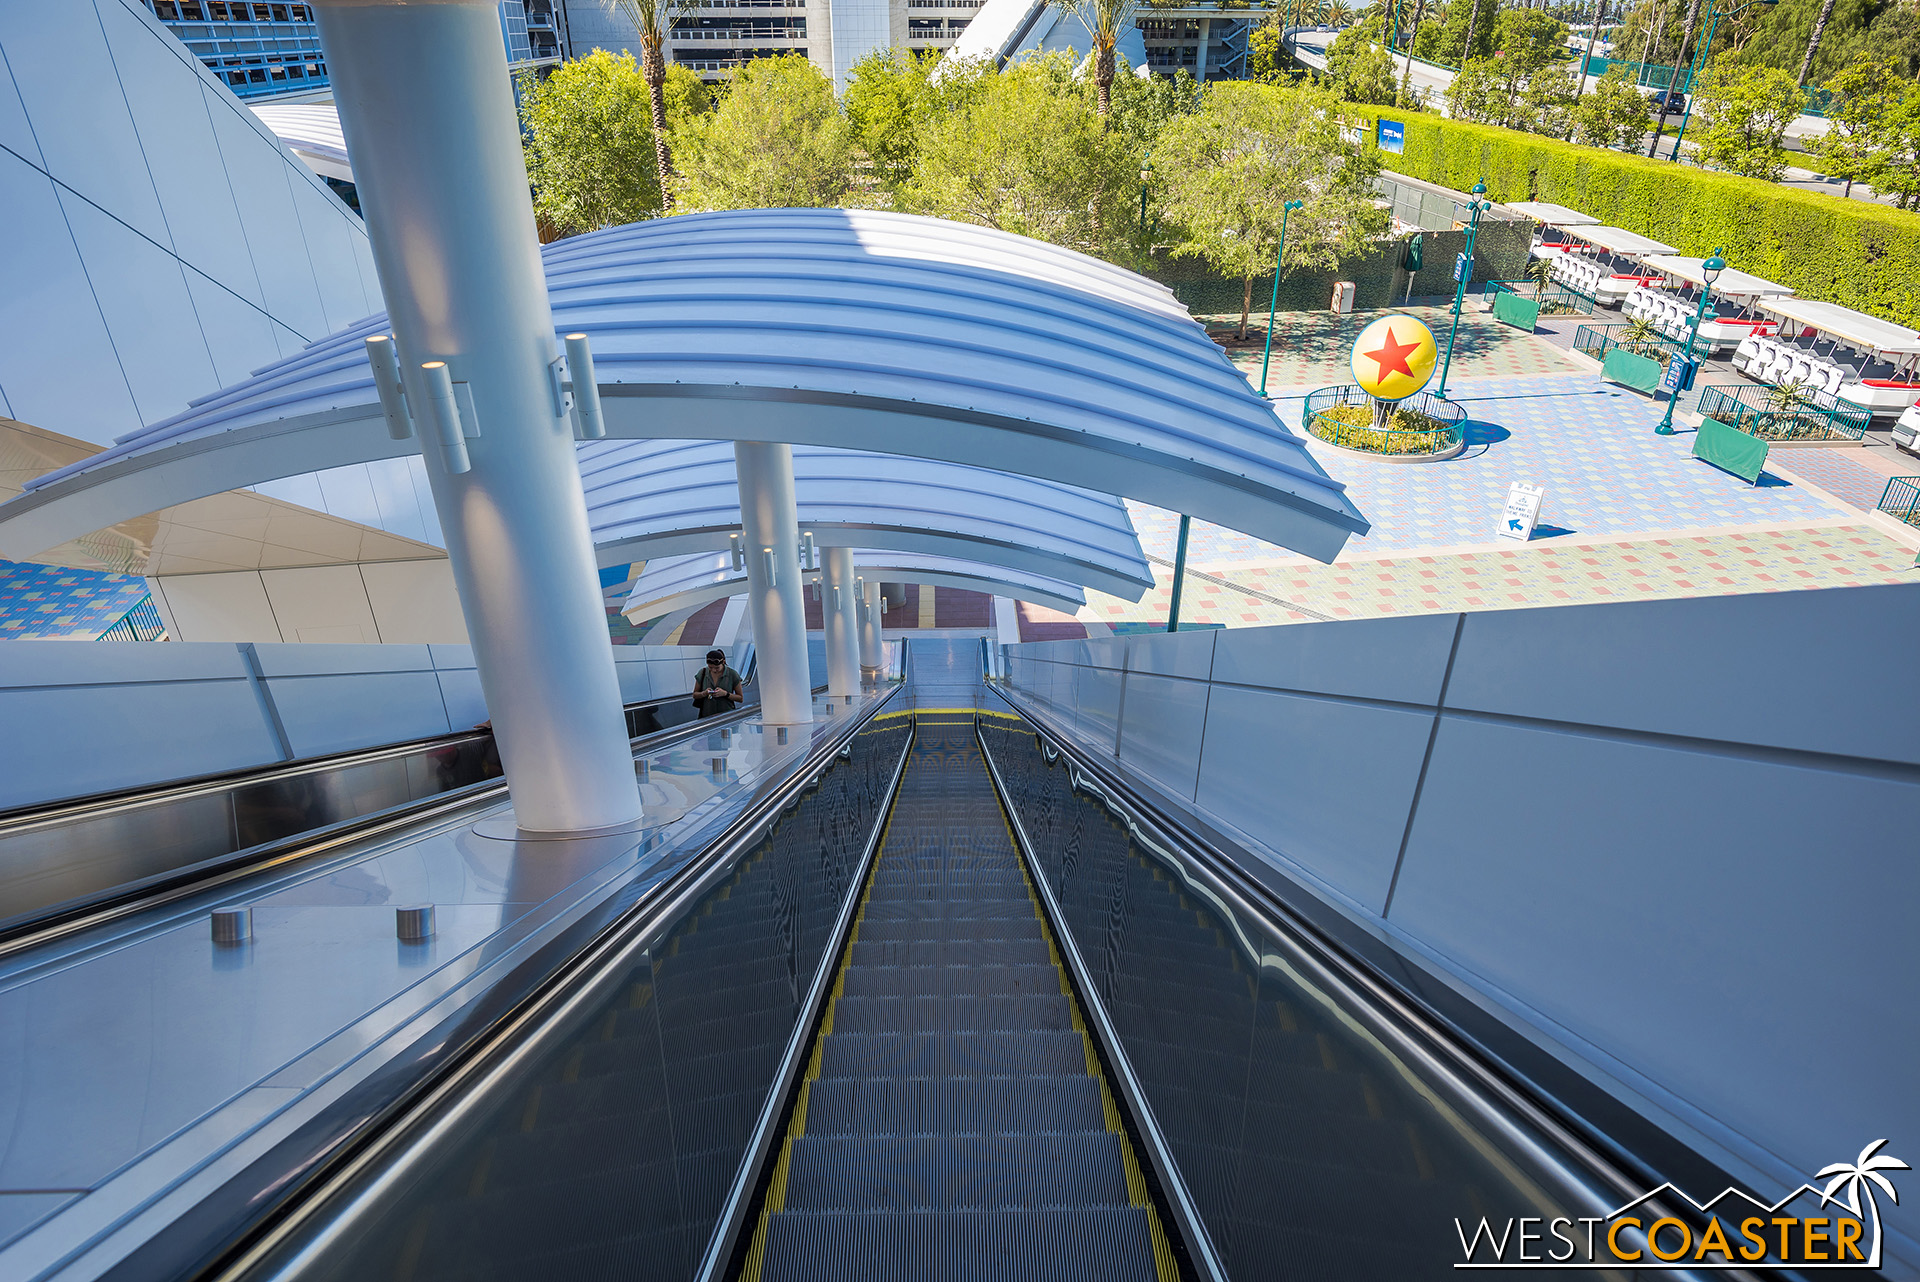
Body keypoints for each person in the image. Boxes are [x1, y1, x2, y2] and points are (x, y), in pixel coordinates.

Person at [693, 649, 744, 718]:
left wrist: (725, 694)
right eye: (710, 667)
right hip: (707, 717)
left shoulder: (732, 674)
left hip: (727, 716)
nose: (714, 670)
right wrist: (704, 693)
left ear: (723, 662)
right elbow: (695, 694)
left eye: (717, 668)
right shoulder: (702, 673)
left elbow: (740, 698)